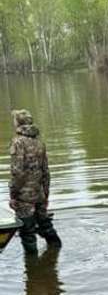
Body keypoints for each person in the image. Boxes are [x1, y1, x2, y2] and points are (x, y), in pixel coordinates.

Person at [8, 109, 61, 254]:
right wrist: (46, 195)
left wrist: (13, 194)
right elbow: (46, 172)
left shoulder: (17, 142)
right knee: (46, 226)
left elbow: (17, 172)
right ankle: (56, 252)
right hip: (39, 194)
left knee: (27, 234)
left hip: (24, 197)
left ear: (18, 123)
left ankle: (33, 269)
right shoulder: (39, 143)